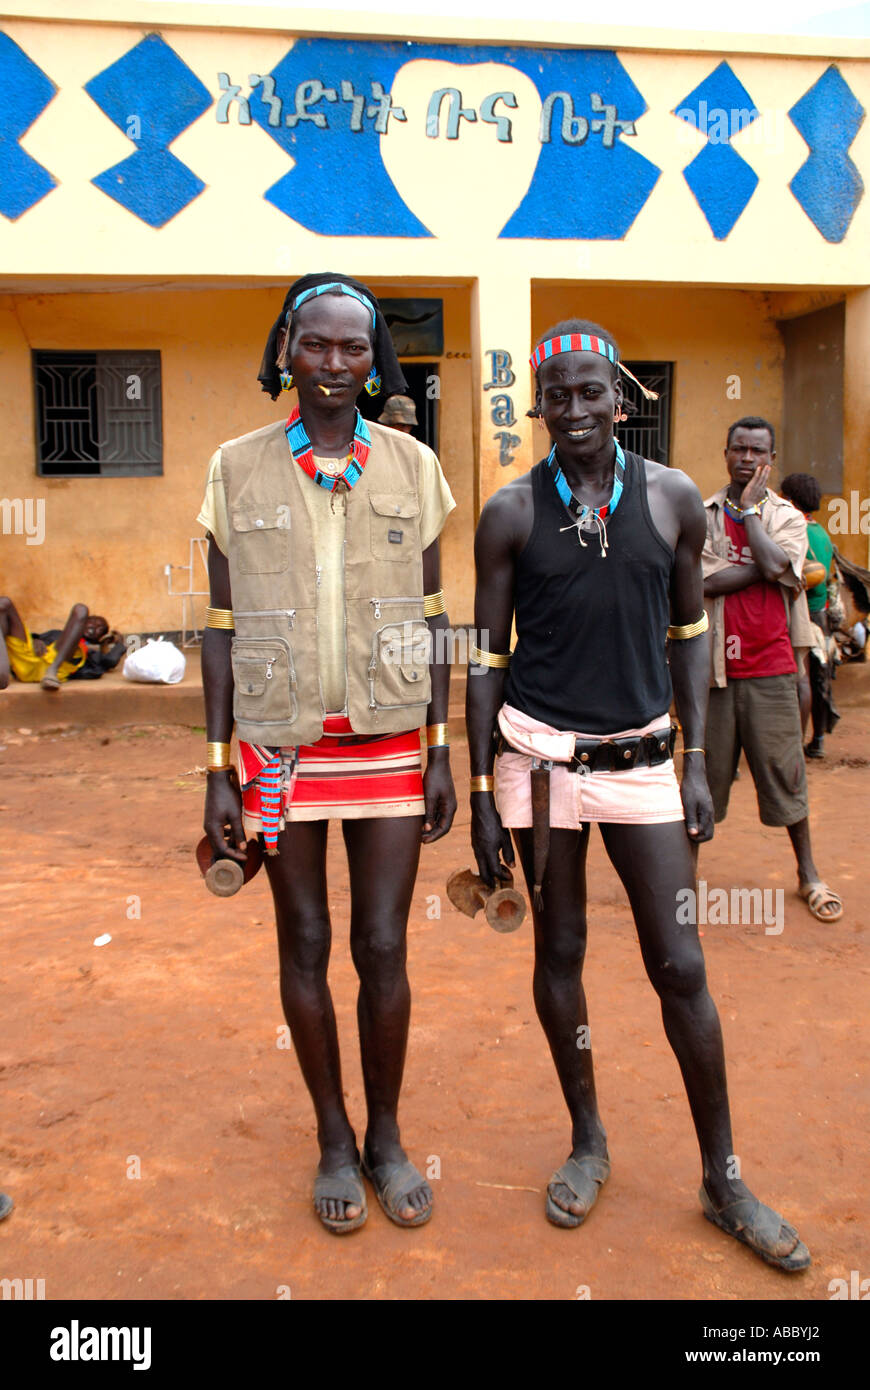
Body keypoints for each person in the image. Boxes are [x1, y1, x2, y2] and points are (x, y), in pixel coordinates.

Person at [467, 319, 810, 1271]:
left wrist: (696, 758)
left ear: (622, 397)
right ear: (540, 405)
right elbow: (487, 661)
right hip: (535, 762)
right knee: (560, 950)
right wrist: (485, 796)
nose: (574, 411)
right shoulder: (510, 513)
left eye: (591, 393)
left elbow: (689, 632)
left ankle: (723, 1176)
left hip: (644, 762)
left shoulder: (668, 501)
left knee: (681, 966)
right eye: (558, 396)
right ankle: (587, 1138)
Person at [198, 273, 456, 1234]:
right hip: (280, 746)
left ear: (375, 356)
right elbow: (219, 625)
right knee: (302, 942)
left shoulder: (412, 466)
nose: (336, 366)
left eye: (356, 348)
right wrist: (217, 765)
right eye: (317, 345)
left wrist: (440, 750)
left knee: (382, 944)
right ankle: (334, 1142)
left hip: (390, 741)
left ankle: (388, 1137)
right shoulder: (237, 466)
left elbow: (433, 618)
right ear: (286, 349)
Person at [702, 420, 842, 924]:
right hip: (715, 673)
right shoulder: (703, 515)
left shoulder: (789, 517)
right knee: (703, 778)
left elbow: (781, 566)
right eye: (738, 448)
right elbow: (704, 582)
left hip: (773, 670)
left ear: (771, 459)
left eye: (756, 451)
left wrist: (754, 519)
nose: (746, 457)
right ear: (725, 454)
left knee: (787, 774)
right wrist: (764, 566)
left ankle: (808, 875)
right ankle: (678, 883)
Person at [779, 473, 839, 757]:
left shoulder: (796, 531)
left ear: (790, 500)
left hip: (805, 613)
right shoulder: (822, 534)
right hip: (822, 615)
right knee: (819, 679)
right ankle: (817, 741)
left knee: (801, 679)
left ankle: (793, 745)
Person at [0, 596, 88, 691]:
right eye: (94, 621)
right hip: (27, 658)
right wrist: (36, 640)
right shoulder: (56, 633)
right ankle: (2, 670)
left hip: (57, 665)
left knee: (81, 609)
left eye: (101, 627)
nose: (95, 627)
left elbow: (99, 662)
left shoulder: (85, 648)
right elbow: (39, 637)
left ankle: (51, 672)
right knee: (4, 602)